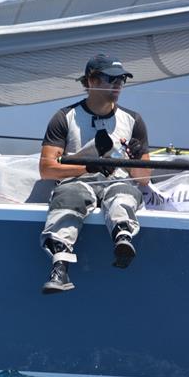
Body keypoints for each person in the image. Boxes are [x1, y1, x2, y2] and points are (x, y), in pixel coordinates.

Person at [38, 54, 151, 295]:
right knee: (69, 196)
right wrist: (90, 167)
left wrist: (136, 157)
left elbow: (142, 179)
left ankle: (122, 237)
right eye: (111, 79)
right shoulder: (64, 117)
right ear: (91, 80)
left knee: (123, 193)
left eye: (122, 79)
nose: (118, 85)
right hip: (77, 183)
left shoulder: (134, 120)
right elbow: (46, 169)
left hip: (118, 182)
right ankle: (60, 267)